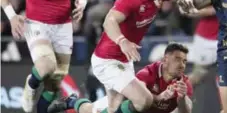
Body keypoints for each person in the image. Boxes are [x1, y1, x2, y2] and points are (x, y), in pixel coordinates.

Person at [47, 0, 218, 113]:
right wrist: (123, 41)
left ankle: (73, 102)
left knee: (113, 108)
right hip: (107, 60)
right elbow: (109, 21)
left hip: (123, 60)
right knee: (144, 100)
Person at [48, 43, 193, 113]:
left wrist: (182, 99)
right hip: (122, 103)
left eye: (185, 61)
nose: (182, 65)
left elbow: (186, 111)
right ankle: (72, 101)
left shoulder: (183, 82)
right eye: (177, 59)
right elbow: (136, 99)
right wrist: (160, 97)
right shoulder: (148, 73)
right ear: (165, 59)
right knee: (89, 111)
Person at [183, 0, 227, 86]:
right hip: (206, 39)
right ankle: (174, 99)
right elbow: (188, 9)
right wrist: (213, 10)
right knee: (197, 76)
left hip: (225, 41)